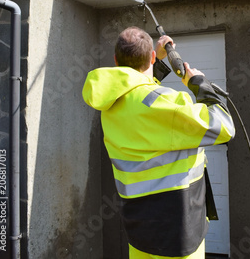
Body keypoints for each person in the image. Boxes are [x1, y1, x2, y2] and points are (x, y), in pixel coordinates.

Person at [82, 26, 235, 259]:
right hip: (177, 232)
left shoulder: (111, 104)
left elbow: (139, 91)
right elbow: (224, 126)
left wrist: (160, 63)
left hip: (139, 229)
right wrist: (197, 83)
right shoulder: (167, 103)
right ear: (151, 56)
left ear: (115, 60)